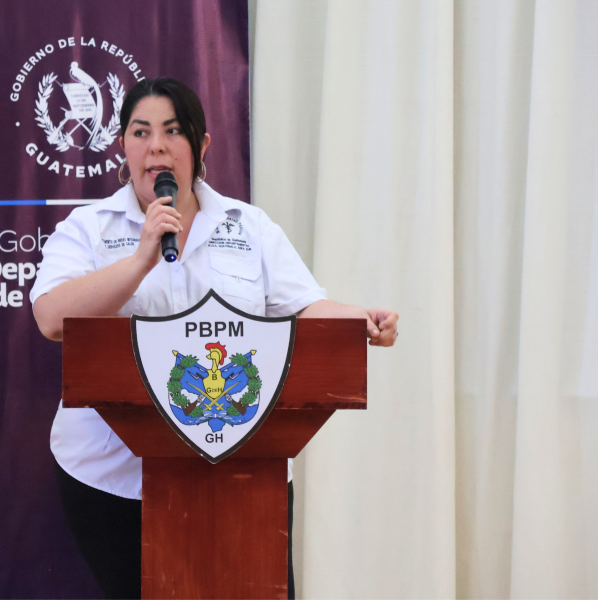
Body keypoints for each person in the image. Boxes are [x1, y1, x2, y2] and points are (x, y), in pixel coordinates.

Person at [31, 77, 398, 599]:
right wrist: (140, 260)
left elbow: (304, 306)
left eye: (173, 131)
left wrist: (357, 319)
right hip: (115, 477)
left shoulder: (248, 226)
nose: (157, 147)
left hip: (244, 467)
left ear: (201, 145)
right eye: (141, 132)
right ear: (123, 145)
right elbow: (52, 318)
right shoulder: (89, 228)